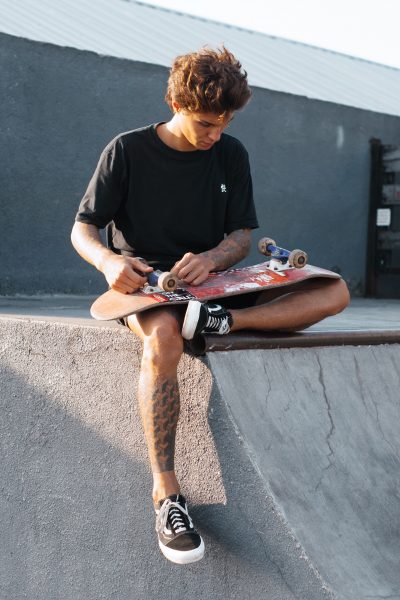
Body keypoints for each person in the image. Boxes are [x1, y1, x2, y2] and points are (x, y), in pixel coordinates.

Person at [71, 46, 349, 565]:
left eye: (223, 124)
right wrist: (110, 263)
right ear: (174, 102)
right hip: (149, 283)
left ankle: (226, 321)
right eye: (204, 123)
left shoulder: (231, 154)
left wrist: (217, 256)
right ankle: (167, 495)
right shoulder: (126, 150)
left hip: (216, 287)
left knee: (334, 291)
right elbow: (83, 227)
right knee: (164, 338)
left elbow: (242, 234)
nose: (214, 135)